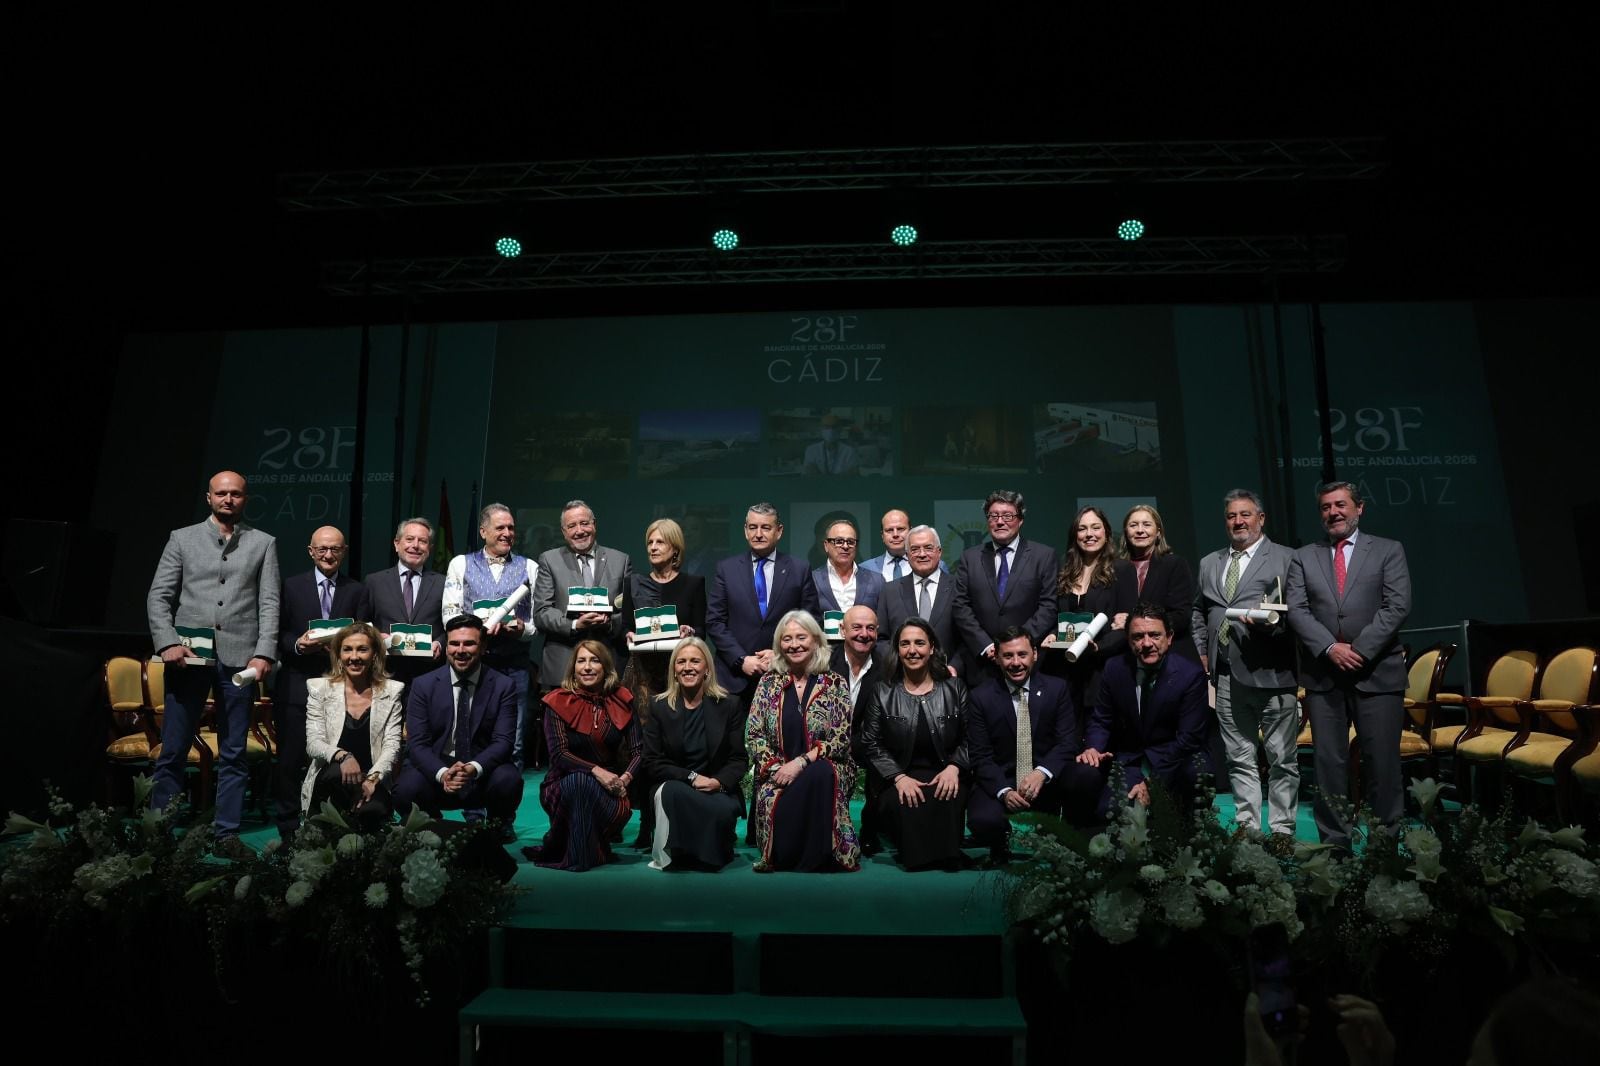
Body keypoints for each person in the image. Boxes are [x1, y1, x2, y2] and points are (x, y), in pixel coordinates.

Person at [145, 470, 279, 858]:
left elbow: (269, 603)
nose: (228, 500)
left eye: (236, 494)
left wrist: (264, 651)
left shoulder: (263, 543)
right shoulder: (182, 538)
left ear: (245, 499)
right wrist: (167, 642)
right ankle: (162, 834)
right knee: (173, 749)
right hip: (188, 659)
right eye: (221, 493)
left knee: (234, 751)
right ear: (208, 497)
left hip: (240, 661)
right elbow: (159, 597)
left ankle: (226, 835)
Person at [1286, 481, 1412, 847]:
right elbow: (1297, 609)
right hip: (1324, 676)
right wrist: (1329, 648)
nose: (1333, 513)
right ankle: (1334, 845)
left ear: (1360, 508)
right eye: (1325, 507)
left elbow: (1397, 606)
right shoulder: (1303, 556)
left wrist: (1357, 650)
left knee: (1383, 765)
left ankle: (1383, 845)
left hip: (1378, 673)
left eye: (1340, 505)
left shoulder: (1389, 550)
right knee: (1328, 766)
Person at [1192, 490, 1300, 836]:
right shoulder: (1210, 562)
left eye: (1246, 515)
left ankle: (1282, 831)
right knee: (1239, 758)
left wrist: (1275, 625)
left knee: (1282, 760)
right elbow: (1199, 610)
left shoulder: (1286, 558)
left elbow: (1299, 612)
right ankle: (1248, 828)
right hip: (1225, 676)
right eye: (1231, 516)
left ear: (1261, 518)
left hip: (1273, 673)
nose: (1238, 522)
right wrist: (1201, 648)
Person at [273, 526, 373, 839]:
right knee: (289, 762)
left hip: (341, 690)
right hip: (296, 686)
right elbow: (278, 633)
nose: (328, 555)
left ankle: (332, 826)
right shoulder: (290, 587)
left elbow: (365, 633)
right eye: (322, 549)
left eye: (335, 549)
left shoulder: (356, 590)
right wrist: (297, 645)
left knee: (337, 760)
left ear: (343, 552)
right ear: (310, 551)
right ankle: (289, 830)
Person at [968, 628, 1101, 855]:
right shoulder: (981, 697)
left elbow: (1067, 742)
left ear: (1035, 654)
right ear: (998, 659)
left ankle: (1071, 837)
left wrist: (1042, 773)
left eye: (1022, 654)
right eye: (1008, 656)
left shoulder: (1057, 689)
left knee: (1086, 775)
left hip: (1047, 780)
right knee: (982, 820)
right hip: (1005, 778)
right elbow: (980, 755)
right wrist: (1004, 791)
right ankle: (1002, 841)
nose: (1016, 662)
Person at [746, 610, 859, 872]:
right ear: (779, 646)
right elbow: (754, 735)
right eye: (787, 639)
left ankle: (816, 855)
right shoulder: (768, 683)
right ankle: (789, 852)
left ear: (816, 641)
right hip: (777, 772)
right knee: (804, 779)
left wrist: (800, 762)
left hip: (827, 767)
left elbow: (841, 738)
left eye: (801, 637)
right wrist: (777, 769)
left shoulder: (835, 683)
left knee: (820, 772)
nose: (794, 644)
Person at [391, 615, 524, 826]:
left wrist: (472, 768)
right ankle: (431, 824)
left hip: (481, 771)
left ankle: (500, 824)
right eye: (454, 643)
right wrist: (443, 773)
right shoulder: (423, 685)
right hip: (437, 771)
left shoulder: (503, 686)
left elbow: (504, 742)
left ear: (482, 647)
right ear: (446, 647)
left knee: (508, 780)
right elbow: (417, 744)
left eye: (469, 643)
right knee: (406, 788)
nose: (460, 650)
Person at [859, 618, 971, 870]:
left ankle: (944, 854)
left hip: (946, 771)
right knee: (909, 802)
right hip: (897, 776)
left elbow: (971, 737)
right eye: (905, 644)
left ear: (932, 647)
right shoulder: (882, 690)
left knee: (946, 797)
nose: (912, 650)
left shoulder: (955, 687)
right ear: (897, 650)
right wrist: (899, 778)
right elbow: (871, 743)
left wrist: (954, 768)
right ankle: (926, 856)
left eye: (919, 643)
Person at [1078, 602, 1209, 814]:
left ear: (1170, 637)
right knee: (1107, 814)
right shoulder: (1115, 668)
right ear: (1128, 641)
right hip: (1130, 761)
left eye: (1155, 635)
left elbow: (1189, 740)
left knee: (1197, 773)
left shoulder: (1190, 675)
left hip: (1173, 763)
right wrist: (1093, 747)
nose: (1146, 643)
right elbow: (1101, 719)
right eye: (1138, 637)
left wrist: (1151, 783)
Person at [526, 640, 642, 871]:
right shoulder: (557, 701)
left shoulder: (622, 698)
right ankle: (584, 855)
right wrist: (597, 772)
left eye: (594, 660)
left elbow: (639, 751)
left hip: (610, 790)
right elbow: (559, 755)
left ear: (606, 667)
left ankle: (581, 851)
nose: (587, 667)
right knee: (580, 782)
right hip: (561, 786)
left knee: (586, 786)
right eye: (581, 661)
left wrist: (625, 778)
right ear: (573, 667)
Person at [444, 504, 538, 768]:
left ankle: (506, 807)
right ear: (484, 531)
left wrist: (521, 629)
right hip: (471, 665)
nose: (507, 533)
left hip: (515, 666)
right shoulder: (460, 564)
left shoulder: (530, 567)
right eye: (500, 528)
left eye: (511, 528)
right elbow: (449, 615)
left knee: (514, 741)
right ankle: (472, 807)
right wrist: (478, 628)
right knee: (469, 735)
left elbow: (536, 623)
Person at [642, 637, 746, 870]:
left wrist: (717, 783)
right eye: (681, 662)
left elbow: (738, 759)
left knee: (720, 809)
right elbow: (652, 761)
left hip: (716, 787)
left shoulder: (729, 705)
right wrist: (691, 777)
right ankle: (682, 851)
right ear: (674, 670)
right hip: (677, 785)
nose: (688, 667)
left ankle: (707, 850)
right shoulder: (659, 706)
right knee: (671, 792)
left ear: (707, 668)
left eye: (695, 661)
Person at [706, 502, 822, 698]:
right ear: (745, 530)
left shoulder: (799, 569)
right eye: (753, 527)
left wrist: (780, 655)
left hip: (784, 677)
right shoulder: (726, 569)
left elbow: (812, 624)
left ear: (779, 531)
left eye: (765, 527)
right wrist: (741, 659)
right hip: (733, 679)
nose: (758, 534)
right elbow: (714, 622)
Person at [302, 622, 403, 831]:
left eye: (362, 649)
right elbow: (313, 744)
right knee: (336, 774)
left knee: (372, 813)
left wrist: (372, 779)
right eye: (347, 649)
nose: (354, 657)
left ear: (374, 654)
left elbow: (392, 746)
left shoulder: (392, 692)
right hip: (331, 777)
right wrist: (343, 756)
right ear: (338, 655)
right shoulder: (319, 689)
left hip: (372, 776)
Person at [1040, 506, 1131, 734]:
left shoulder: (1122, 569)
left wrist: (1098, 647)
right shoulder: (1064, 571)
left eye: (1095, 527)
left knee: (1100, 740)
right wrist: (1052, 633)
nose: (1089, 534)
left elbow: (1127, 624)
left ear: (1107, 533)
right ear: (1074, 535)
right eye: (1082, 529)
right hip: (1066, 671)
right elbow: (1057, 617)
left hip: (1103, 670)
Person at [952, 490, 1060, 681]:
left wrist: (1017, 646)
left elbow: (1048, 606)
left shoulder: (1043, 556)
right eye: (994, 516)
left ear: (1021, 520)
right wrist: (986, 645)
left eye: (1007, 516)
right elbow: (961, 606)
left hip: (1029, 663)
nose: (1000, 521)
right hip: (983, 665)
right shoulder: (970, 558)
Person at [829, 604, 894, 852]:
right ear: (842, 630)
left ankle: (871, 830)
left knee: (882, 757)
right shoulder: (825, 661)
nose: (863, 634)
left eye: (870, 628)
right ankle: (831, 829)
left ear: (877, 633)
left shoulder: (887, 664)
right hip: (827, 740)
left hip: (867, 739)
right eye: (856, 627)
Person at [363, 517, 446, 698]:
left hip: (429, 674)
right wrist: (377, 636)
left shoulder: (443, 583)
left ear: (430, 548)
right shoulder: (374, 581)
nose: (415, 545)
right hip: (385, 674)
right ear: (396, 544)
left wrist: (439, 643)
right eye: (409, 539)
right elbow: (362, 623)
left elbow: (451, 625)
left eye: (422, 541)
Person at [1113, 503, 1199, 664]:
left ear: (1158, 532)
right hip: (1127, 658)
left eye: (1146, 524)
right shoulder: (1114, 568)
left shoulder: (1175, 565)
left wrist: (1134, 622)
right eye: (1133, 525)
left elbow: (1182, 615)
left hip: (1172, 657)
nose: (1140, 530)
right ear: (1126, 532)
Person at [879, 525, 964, 679]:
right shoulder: (889, 591)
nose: (922, 554)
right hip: (901, 681)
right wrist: (899, 663)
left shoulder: (959, 587)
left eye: (928, 548)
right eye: (915, 549)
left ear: (939, 552)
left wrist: (955, 666)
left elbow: (967, 637)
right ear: (907, 555)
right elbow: (881, 639)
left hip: (947, 679)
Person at [811, 517, 884, 614]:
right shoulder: (812, 580)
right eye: (839, 541)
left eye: (850, 542)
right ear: (826, 545)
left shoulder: (876, 580)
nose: (845, 546)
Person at [860, 509, 948, 579]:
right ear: (882, 536)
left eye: (900, 529)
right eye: (889, 530)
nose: (895, 535)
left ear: (911, 531)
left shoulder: (937, 565)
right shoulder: (866, 569)